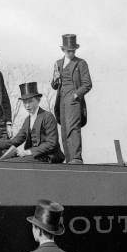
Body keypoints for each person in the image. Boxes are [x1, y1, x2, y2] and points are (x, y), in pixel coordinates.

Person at [0, 82, 64, 163]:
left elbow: (51, 143)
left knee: (10, 163)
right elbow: (16, 141)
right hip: (35, 157)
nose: (27, 105)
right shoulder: (27, 120)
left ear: (38, 100)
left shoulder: (48, 116)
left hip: (49, 157)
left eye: (30, 101)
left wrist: (28, 152)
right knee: (6, 161)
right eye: (25, 102)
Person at [51, 34, 92, 164]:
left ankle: (76, 158)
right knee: (64, 130)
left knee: (73, 128)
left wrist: (76, 95)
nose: (71, 53)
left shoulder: (81, 63)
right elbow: (54, 86)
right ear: (63, 50)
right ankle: (69, 159)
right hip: (61, 101)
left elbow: (87, 84)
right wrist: (55, 79)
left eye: (73, 50)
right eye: (69, 50)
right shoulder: (58, 63)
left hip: (73, 101)